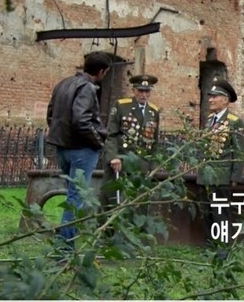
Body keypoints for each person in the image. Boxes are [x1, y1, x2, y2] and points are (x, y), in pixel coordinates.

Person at [46, 51, 111, 253]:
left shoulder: (63, 84)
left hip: (62, 148)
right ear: (101, 71)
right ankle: (64, 250)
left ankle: (67, 244)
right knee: (75, 200)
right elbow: (81, 120)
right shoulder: (87, 87)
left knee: (72, 197)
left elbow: (51, 115)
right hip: (82, 150)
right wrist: (97, 142)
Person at [197, 78, 244, 253]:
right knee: (206, 212)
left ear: (225, 100)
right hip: (205, 175)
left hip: (221, 176)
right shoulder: (210, 119)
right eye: (210, 96)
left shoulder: (234, 122)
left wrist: (235, 177)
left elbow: (239, 151)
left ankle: (223, 249)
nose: (210, 99)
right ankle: (210, 245)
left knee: (221, 214)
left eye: (214, 96)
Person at [101, 74, 160, 211]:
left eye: (147, 91)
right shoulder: (122, 106)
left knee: (139, 203)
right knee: (111, 199)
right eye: (140, 91)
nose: (144, 95)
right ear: (134, 90)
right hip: (121, 160)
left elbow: (154, 141)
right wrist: (113, 157)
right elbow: (111, 134)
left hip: (142, 164)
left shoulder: (153, 111)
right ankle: (106, 224)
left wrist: (153, 166)